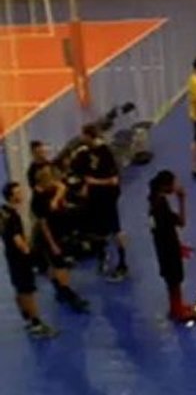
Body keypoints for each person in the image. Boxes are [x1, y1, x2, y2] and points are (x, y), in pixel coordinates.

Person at [1, 183, 58, 338]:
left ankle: (27, 319)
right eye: (18, 192)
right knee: (28, 292)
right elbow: (17, 239)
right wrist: (29, 254)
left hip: (11, 258)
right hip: (20, 259)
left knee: (20, 289)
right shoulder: (13, 216)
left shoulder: (3, 212)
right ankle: (37, 323)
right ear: (12, 196)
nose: (22, 194)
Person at [30, 168, 90, 313]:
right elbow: (44, 224)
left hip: (60, 230)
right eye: (50, 181)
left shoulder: (52, 189)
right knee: (59, 266)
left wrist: (56, 197)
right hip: (48, 236)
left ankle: (61, 290)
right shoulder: (37, 200)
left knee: (59, 266)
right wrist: (52, 244)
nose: (53, 183)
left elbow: (62, 187)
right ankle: (69, 295)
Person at [74, 125, 128, 282]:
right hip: (94, 199)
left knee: (116, 231)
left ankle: (123, 264)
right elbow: (82, 174)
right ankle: (102, 256)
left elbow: (113, 181)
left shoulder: (105, 153)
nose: (82, 139)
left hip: (108, 199)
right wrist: (86, 184)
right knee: (97, 232)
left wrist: (94, 182)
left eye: (84, 136)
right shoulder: (84, 153)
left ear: (90, 136)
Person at [148, 170, 196, 325]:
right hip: (168, 249)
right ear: (166, 186)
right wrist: (182, 199)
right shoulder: (161, 207)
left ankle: (176, 307)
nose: (176, 185)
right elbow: (181, 222)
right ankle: (178, 312)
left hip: (163, 247)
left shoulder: (155, 202)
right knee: (174, 280)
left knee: (172, 280)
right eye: (174, 183)